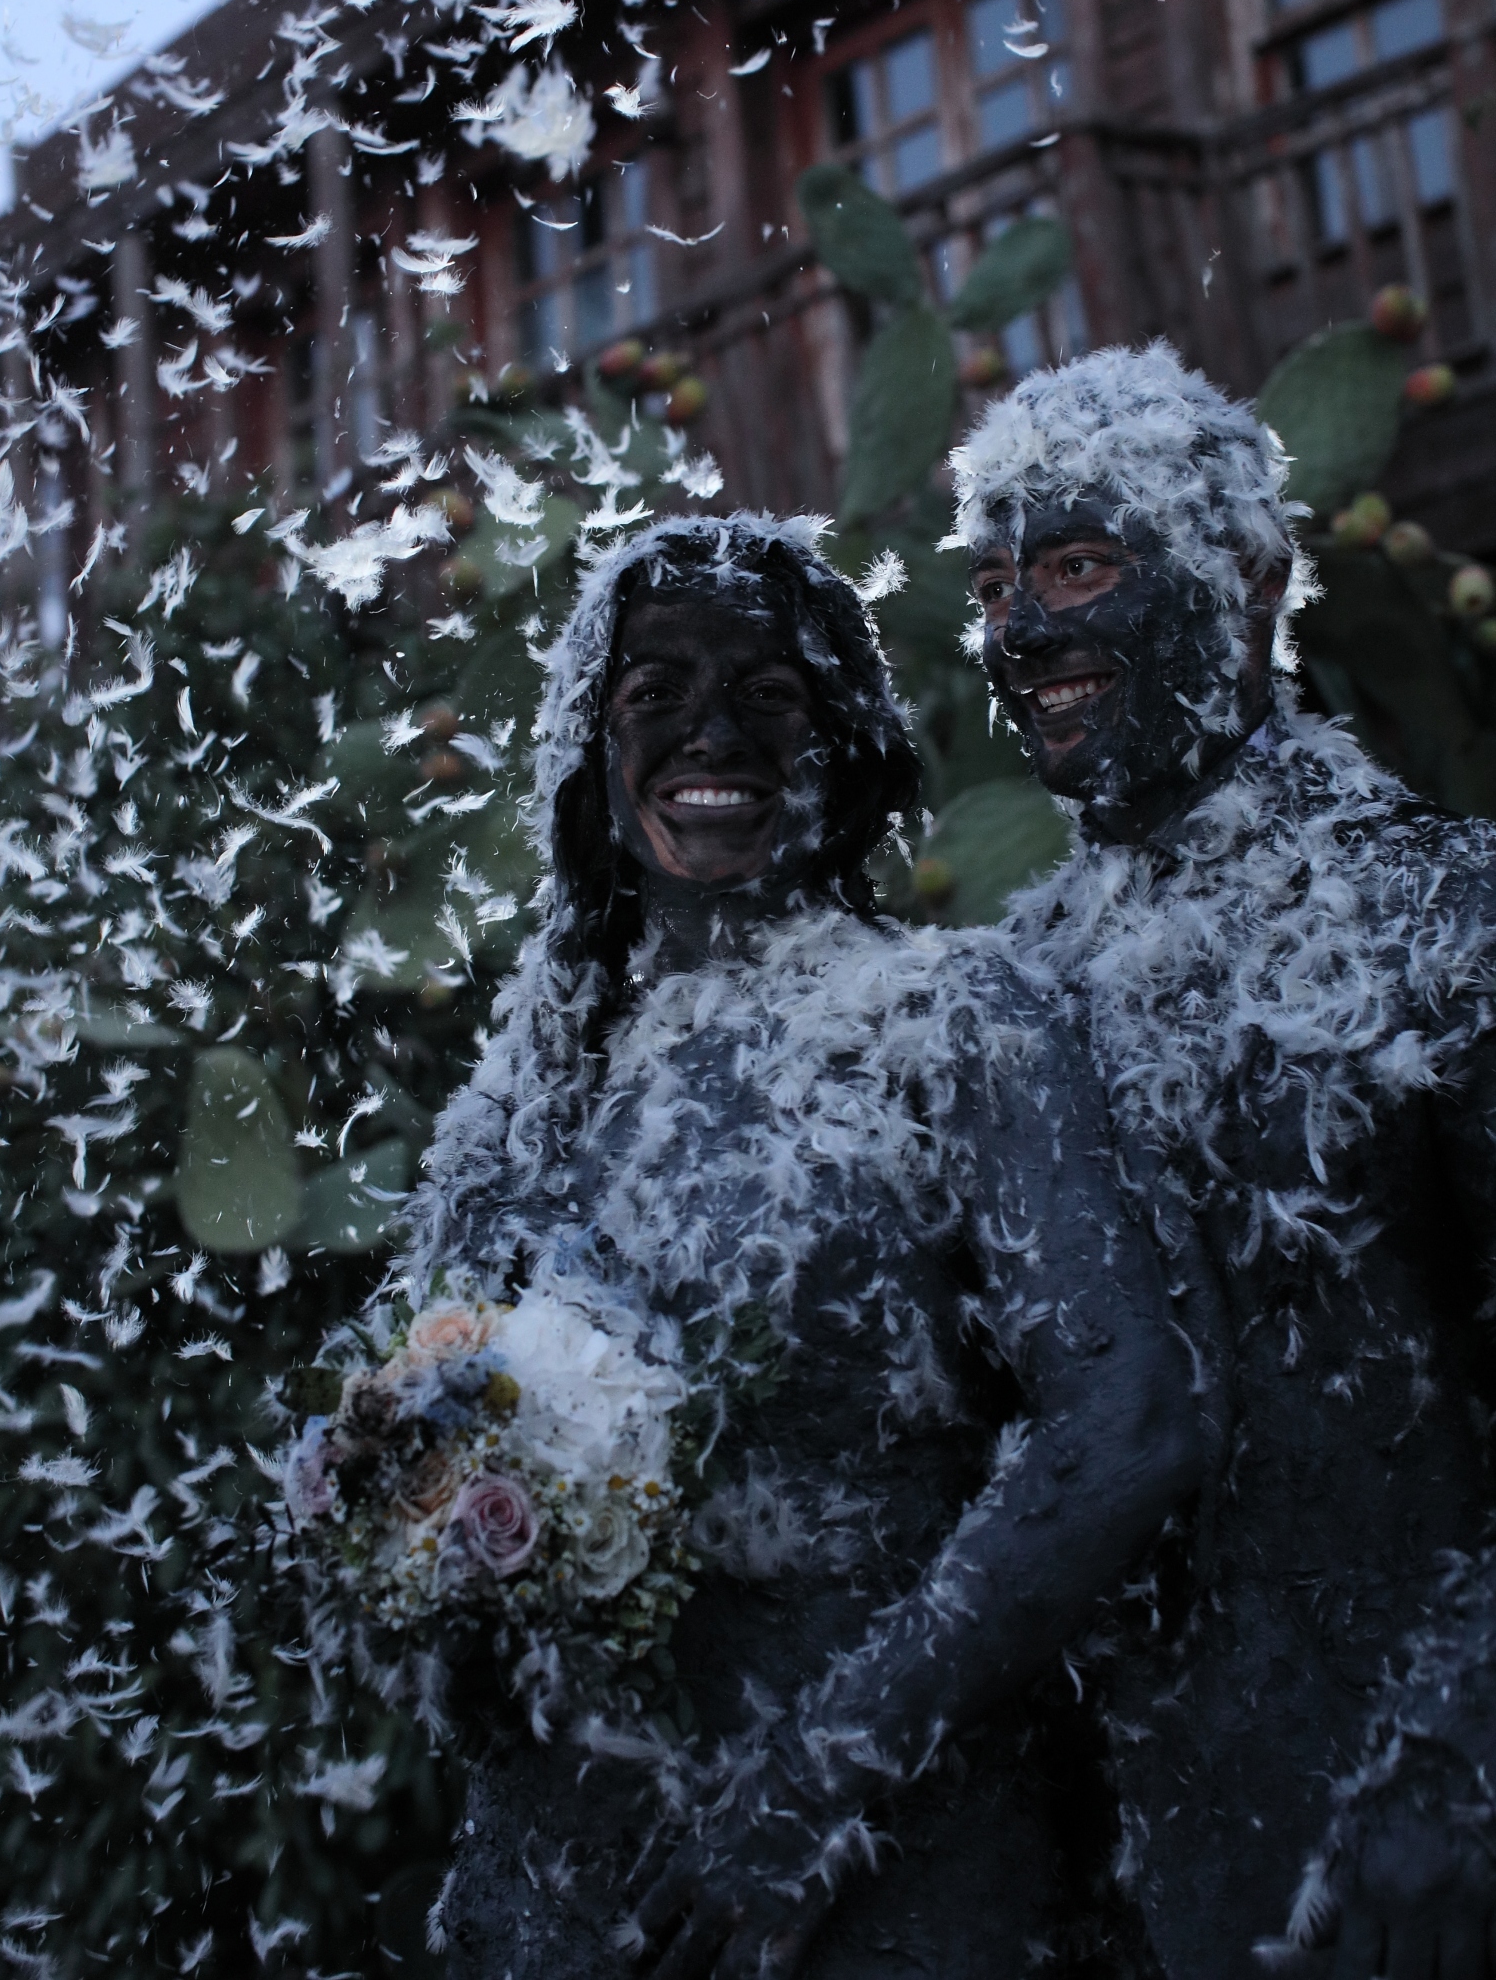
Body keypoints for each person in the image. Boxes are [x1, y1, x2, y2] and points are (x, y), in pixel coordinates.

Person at [408, 510, 1203, 1979]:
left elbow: (1130, 1416)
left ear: (846, 734)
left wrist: (819, 1776)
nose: (715, 729)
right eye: (657, 692)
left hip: (883, 1871)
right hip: (562, 1877)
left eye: (770, 692)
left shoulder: (962, 1021)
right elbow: (425, 1442)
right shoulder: (517, 1089)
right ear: (590, 747)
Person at [952, 340, 1496, 1979]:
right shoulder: (1006, 980)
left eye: (1080, 564)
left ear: (1250, 583)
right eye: (996, 582)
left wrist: (1463, 1774)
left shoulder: (1441, 913)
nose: (1026, 631)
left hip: (1409, 1855)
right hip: (1117, 1870)